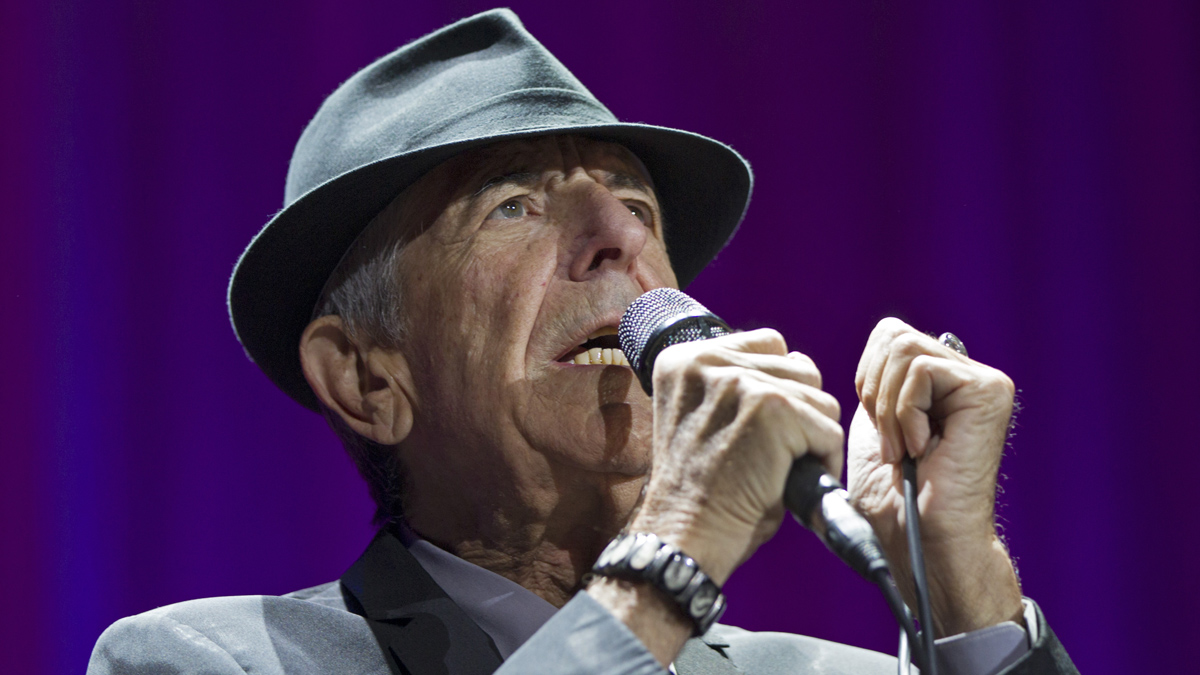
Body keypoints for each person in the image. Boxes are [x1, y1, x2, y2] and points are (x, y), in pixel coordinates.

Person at [88, 9, 1077, 675]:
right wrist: (673, 558)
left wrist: (960, 580)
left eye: (635, 205)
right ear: (365, 376)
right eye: (514, 205)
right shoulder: (213, 658)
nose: (622, 240)